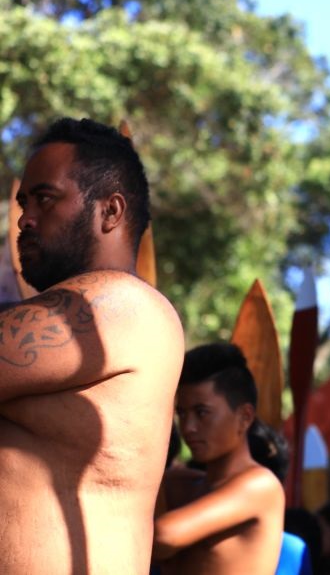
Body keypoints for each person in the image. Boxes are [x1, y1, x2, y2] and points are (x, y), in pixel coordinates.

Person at [1, 117, 184, 573]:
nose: (25, 218)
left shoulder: (125, 307)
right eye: (25, 202)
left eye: (45, 199)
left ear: (111, 211)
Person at [154, 342, 285, 574]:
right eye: (182, 414)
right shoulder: (184, 484)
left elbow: (163, 537)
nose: (188, 427)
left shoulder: (261, 486)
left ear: (245, 417)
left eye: (201, 412)